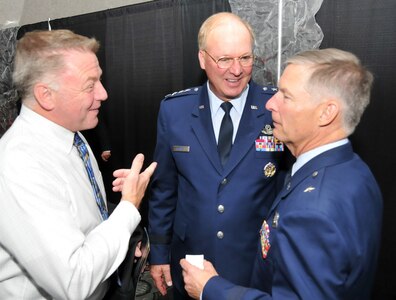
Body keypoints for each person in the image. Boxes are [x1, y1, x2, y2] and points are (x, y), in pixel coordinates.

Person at [180, 48, 383, 300]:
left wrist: (211, 288)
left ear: (326, 112)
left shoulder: (313, 211)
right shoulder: (355, 170)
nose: (270, 103)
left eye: (286, 96)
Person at [0, 29, 157, 299]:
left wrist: (123, 234)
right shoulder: (18, 165)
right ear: (46, 95)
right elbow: (75, 281)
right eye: (89, 85)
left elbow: (82, 222)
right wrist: (129, 207)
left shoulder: (74, 135)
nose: (104, 94)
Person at [148, 12, 286, 299]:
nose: (236, 70)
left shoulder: (276, 108)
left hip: (253, 263)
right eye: (224, 59)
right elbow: (164, 189)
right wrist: (159, 253)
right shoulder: (174, 111)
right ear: (202, 59)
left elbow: (288, 190)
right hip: (191, 259)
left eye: (245, 58)